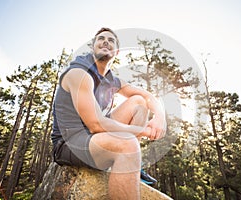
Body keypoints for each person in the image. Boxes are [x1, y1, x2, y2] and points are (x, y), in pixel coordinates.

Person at [51, 27, 166, 200]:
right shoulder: (79, 73)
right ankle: (127, 154)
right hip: (70, 143)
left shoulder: (112, 80)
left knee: (139, 102)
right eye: (101, 39)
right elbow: (96, 124)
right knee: (127, 146)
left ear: (116, 51)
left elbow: (147, 96)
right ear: (93, 47)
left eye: (111, 40)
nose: (106, 41)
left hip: (95, 136)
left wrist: (160, 117)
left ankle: (131, 164)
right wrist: (144, 131)